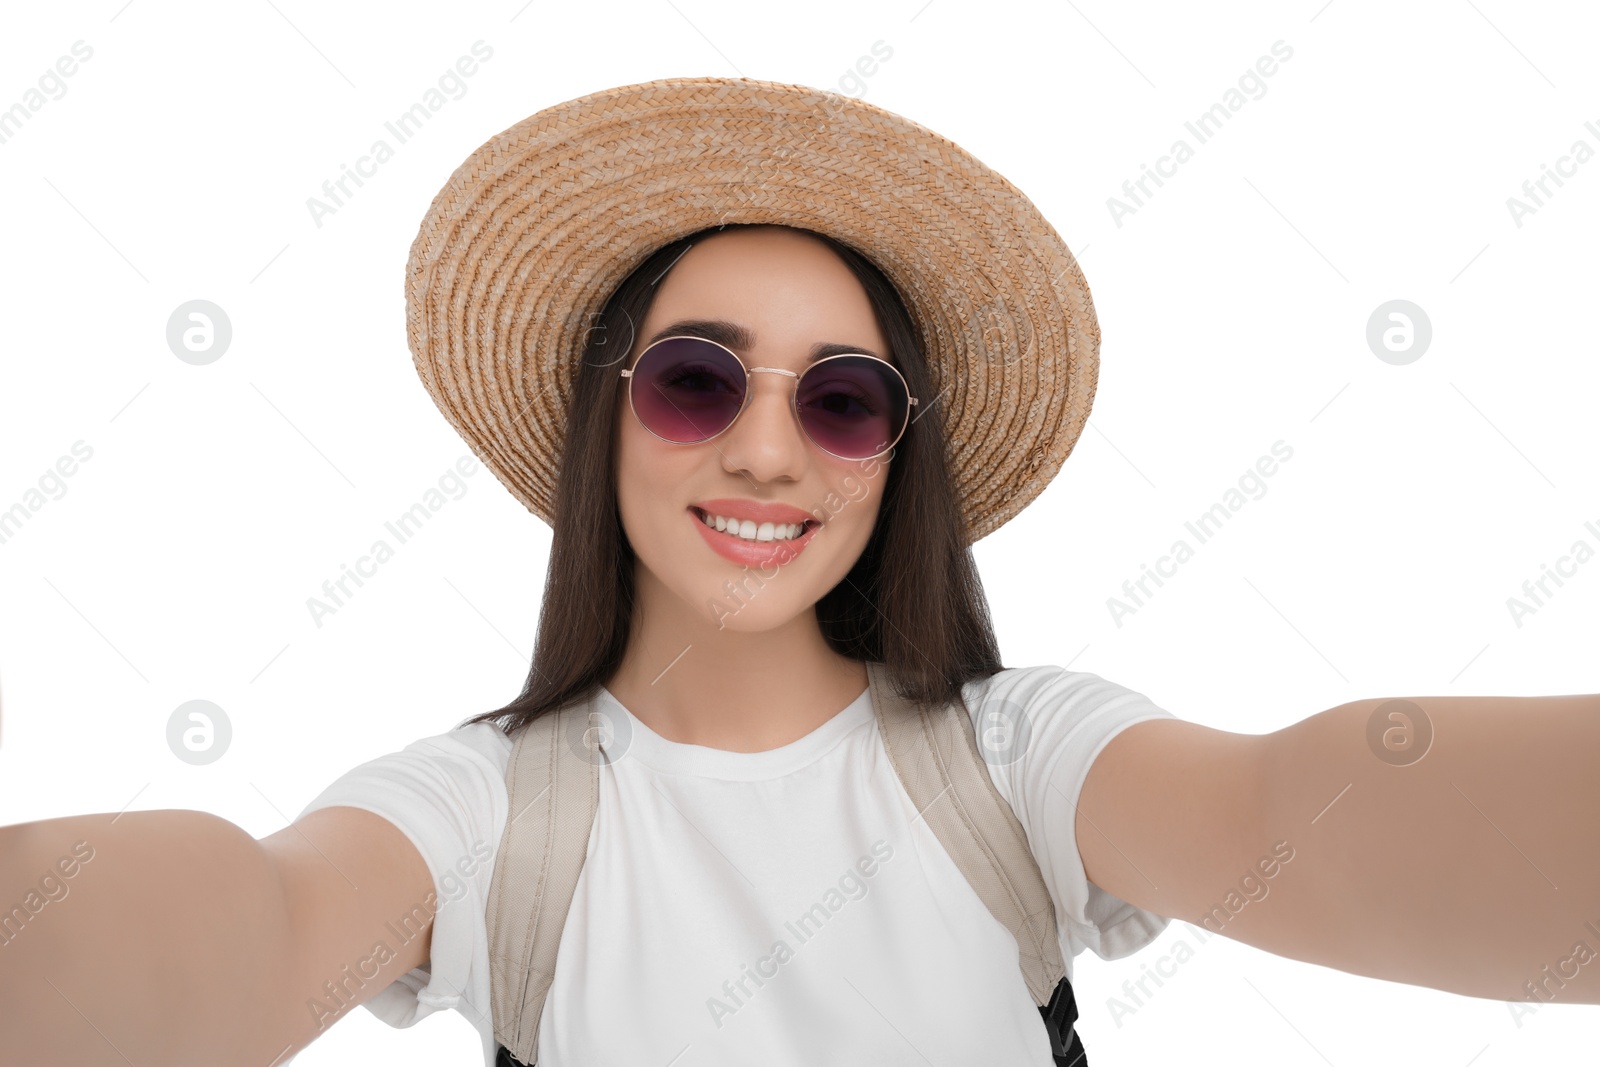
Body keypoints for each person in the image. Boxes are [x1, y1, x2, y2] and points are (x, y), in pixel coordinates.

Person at [2, 77, 1597, 1067]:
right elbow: (257, 923)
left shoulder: (1018, 758)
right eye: (698, 378)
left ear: (891, 459)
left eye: (841, 401)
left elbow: (1292, 815)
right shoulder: (483, 814)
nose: (769, 454)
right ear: (606, 414)